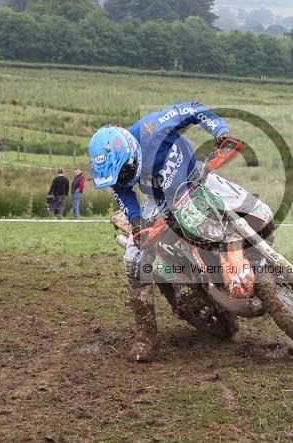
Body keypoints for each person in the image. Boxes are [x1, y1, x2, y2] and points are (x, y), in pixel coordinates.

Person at [87, 102, 274, 362]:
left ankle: (250, 256)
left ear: (131, 154)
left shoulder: (153, 126)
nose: (121, 179)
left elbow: (193, 109)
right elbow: (124, 194)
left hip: (194, 178)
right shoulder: (118, 176)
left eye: (123, 172)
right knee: (133, 258)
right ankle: (146, 336)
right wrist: (138, 222)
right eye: (115, 176)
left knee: (258, 211)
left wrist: (220, 132)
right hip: (158, 201)